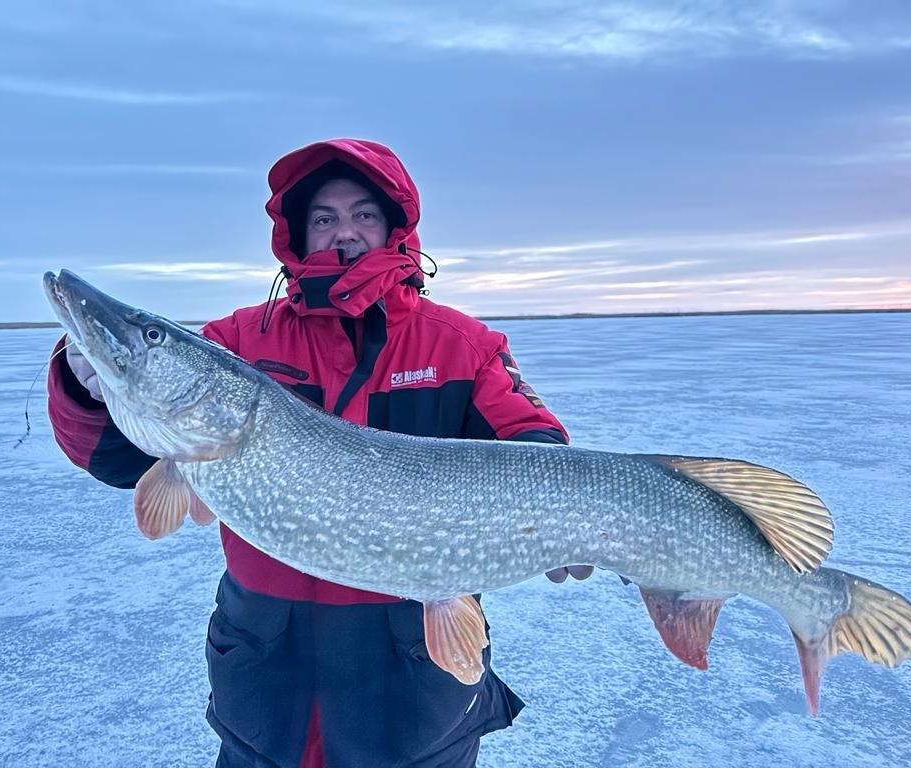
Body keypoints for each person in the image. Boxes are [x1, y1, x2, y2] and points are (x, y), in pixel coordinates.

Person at [48, 138, 591, 768]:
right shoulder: (237, 342)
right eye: (324, 218)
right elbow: (117, 461)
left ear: (394, 228)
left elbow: (536, 443)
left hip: (411, 655)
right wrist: (86, 386)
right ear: (297, 235)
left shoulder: (460, 344)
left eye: (363, 214)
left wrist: (564, 518)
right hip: (266, 655)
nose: (345, 233)